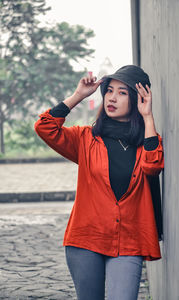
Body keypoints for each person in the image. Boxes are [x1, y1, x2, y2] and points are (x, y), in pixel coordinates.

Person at [34, 65, 164, 300]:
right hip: (85, 239)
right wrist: (78, 96)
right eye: (109, 91)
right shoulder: (85, 139)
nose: (112, 98)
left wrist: (148, 117)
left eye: (122, 93)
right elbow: (45, 127)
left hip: (128, 241)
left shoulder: (148, 141)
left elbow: (153, 167)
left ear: (136, 99)